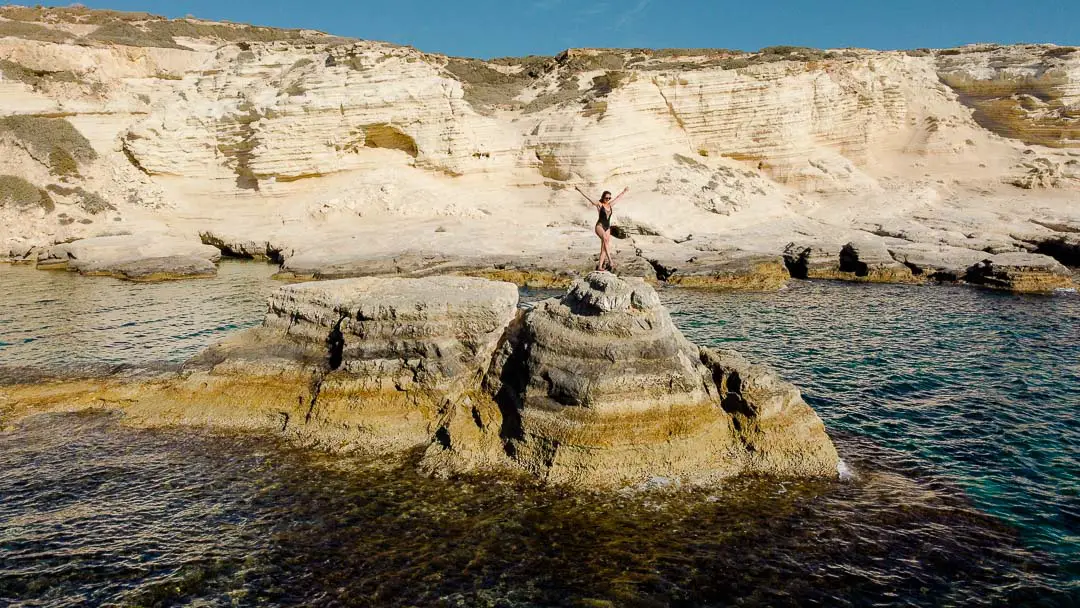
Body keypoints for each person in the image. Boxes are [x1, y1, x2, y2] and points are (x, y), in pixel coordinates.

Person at [575, 185, 629, 272]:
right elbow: (589, 197)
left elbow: (618, 198)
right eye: (606, 197)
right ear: (603, 197)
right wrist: (580, 190)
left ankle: (600, 266)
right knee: (604, 239)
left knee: (604, 246)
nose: (607, 199)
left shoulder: (610, 205)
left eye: (609, 198)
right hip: (599, 226)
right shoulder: (599, 204)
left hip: (607, 227)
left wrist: (624, 191)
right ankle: (610, 261)